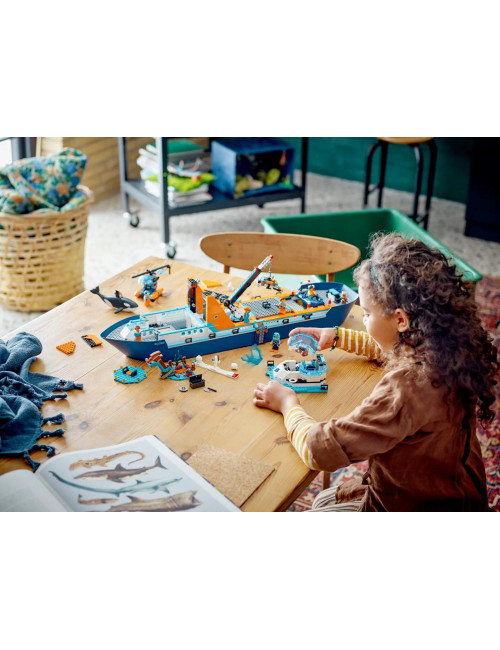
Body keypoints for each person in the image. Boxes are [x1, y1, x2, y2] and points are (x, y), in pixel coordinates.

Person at [253, 233, 498, 511]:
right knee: (326, 498)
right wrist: (337, 336)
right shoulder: (447, 350)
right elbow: (392, 348)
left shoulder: (405, 389)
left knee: (319, 506)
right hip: (457, 492)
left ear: (401, 319)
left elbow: (318, 451)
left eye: (367, 313)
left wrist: (287, 403)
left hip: (415, 508)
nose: (364, 318)